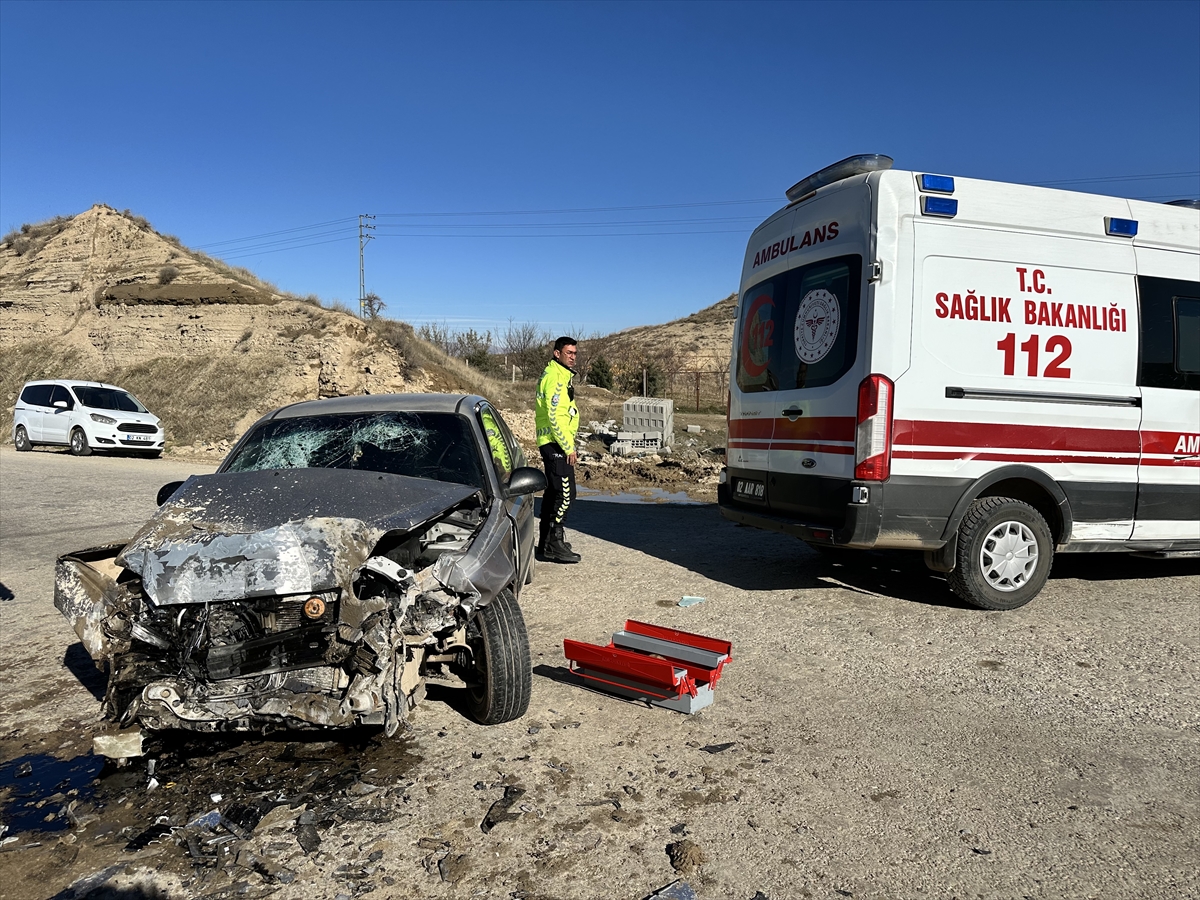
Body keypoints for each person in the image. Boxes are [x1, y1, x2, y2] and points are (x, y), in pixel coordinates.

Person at [535, 336, 582, 563]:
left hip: (555, 442)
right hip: (555, 443)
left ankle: (546, 543)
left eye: (574, 353)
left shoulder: (562, 375)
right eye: (568, 353)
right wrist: (568, 446)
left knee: (553, 493)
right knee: (565, 495)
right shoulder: (554, 377)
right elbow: (554, 416)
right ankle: (554, 543)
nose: (573, 357)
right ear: (557, 353)